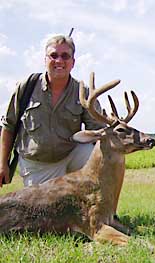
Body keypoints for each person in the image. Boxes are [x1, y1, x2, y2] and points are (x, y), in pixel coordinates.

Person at [0, 34, 104, 187]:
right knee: (41, 209)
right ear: (45, 60)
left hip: (71, 155)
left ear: (73, 62)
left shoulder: (83, 93)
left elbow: (98, 132)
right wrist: (2, 164)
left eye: (65, 56)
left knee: (102, 157)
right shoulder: (27, 87)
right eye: (53, 55)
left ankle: (105, 208)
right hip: (38, 164)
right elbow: (8, 127)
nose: (59, 61)